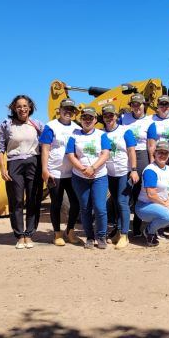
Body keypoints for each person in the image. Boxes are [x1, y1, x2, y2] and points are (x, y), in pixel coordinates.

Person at [0, 95, 44, 249]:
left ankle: (29, 234)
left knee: (33, 199)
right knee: (16, 200)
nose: (22, 109)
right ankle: (19, 235)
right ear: (14, 109)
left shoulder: (38, 125)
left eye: (25, 106)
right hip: (14, 163)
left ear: (30, 108)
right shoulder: (6, 125)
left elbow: (46, 146)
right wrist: (2, 168)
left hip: (34, 162)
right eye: (19, 106)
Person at [65, 107, 111, 250]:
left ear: (95, 120)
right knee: (85, 208)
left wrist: (93, 168)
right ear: (80, 119)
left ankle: (101, 236)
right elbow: (70, 155)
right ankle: (90, 238)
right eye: (84, 117)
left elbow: (105, 154)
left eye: (90, 118)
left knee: (100, 207)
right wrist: (82, 169)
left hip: (99, 176)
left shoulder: (101, 135)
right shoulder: (74, 135)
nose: (87, 120)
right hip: (80, 177)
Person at [39, 98, 82, 246]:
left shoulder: (76, 128)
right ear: (59, 110)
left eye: (71, 109)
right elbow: (45, 149)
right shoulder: (50, 127)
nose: (68, 112)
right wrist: (44, 169)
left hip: (72, 173)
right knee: (56, 203)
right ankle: (57, 233)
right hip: (55, 172)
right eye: (65, 109)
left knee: (75, 203)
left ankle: (70, 230)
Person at [102, 104, 139, 250]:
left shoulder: (125, 131)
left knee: (123, 202)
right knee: (116, 203)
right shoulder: (100, 133)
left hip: (124, 171)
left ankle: (125, 235)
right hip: (109, 173)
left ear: (116, 116)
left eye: (111, 115)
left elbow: (131, 151)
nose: (109, 118)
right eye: (106, 115)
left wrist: (134, 170)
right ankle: (117, 231)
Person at [119, 93, 153, 237]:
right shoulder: (123, 119)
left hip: (141, 156)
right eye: (133, 104)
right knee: (124, 192)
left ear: (144, 105)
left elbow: (151, 145)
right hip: (124, 155)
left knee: (139, 192)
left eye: (139, 104)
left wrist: (152, 165)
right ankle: (120, 227)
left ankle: (137, 227)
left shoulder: (150, 122)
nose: (136, 107)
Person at [147, 94, 169, 162]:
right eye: (161, 105)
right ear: (157, 107)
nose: (164, 107)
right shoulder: (150, 119)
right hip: (156, 156)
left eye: (167, 105)